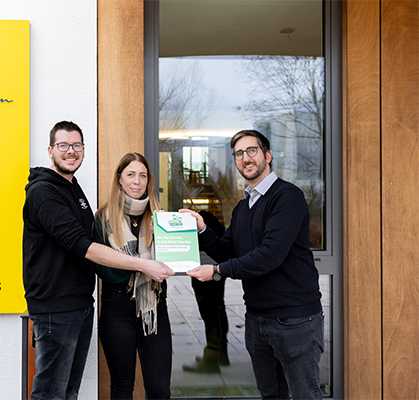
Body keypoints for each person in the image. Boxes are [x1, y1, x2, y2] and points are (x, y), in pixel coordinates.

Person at [22, 121, 174, 400]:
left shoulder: (74, 190)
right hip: (56, 307)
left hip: (81, 305)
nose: (71, 151)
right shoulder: (44, 192)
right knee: (50, 392)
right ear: (50, 150)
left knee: (68, 390)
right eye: (63, 145)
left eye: (77, 145)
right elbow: (84, 247)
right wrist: (143, 264)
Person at [185, 129, 324, 400]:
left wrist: (215, 271)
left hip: (294, 320)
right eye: (238, 153)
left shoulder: (287, 197)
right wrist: (203, 230)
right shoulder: (242, 207)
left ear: (267, 156)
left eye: (252, 151)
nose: (245, 158)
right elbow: (227, 250)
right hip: (258, 318)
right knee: (271, 395)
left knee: (305, 395)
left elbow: (269, 255)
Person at [93, 152, 172, 400]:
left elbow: (171, 264)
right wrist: (143, 265)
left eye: (142, 175)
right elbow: (106, 271)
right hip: (117, 309)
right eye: (130, 175)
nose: (137, 181)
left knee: (159, 389)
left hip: (154, 309)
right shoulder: (103, 219)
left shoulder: (161, 219)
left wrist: (163, 240)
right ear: (119, 179)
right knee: (121, 386)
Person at [182, 211, 230, 374]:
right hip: (217, 267)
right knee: (218, 308)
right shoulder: (216, 215)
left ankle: (211, 359)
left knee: (210, 312)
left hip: (204, 266)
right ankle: (220, 354)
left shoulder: (202, 215)